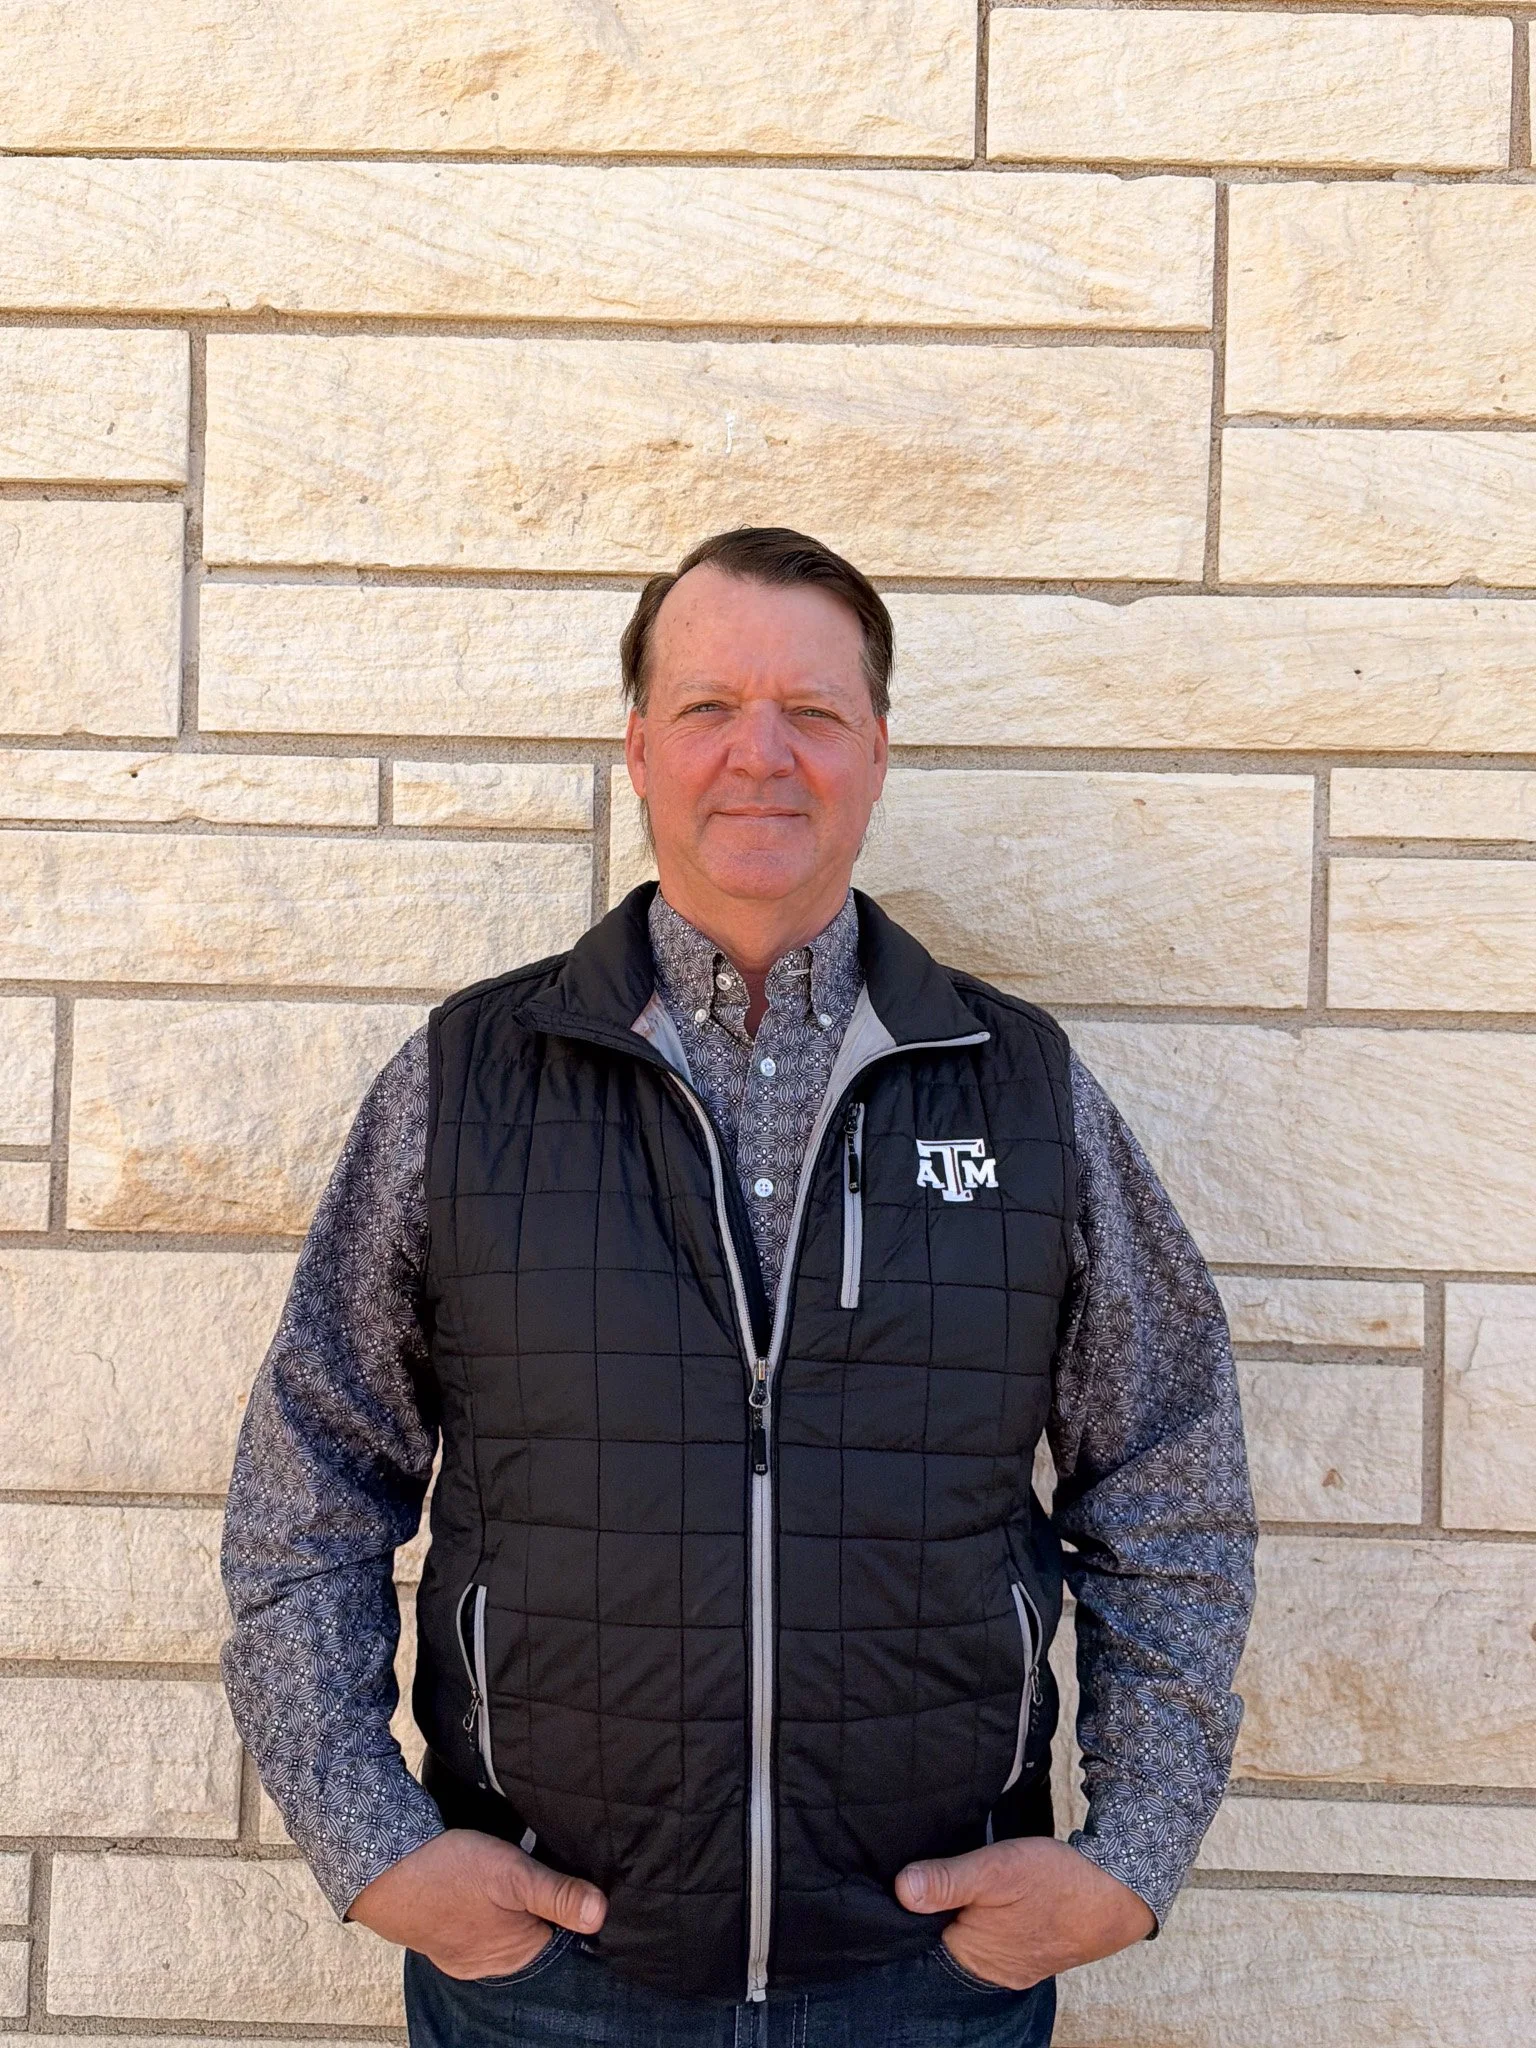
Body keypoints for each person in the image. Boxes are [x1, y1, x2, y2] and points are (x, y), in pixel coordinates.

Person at [221, 526, 1256, 2048]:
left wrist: (1130, 1854)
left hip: (926, 1980)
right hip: (551, 1980)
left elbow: (1171, 1471)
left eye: (813, 712)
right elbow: (310, 1475)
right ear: (639, 748)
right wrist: (371, 1842)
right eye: (708, 707)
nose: (759, 753)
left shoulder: (1022, 1087)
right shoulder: (467, 1080)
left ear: (877, 752)